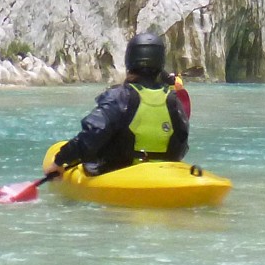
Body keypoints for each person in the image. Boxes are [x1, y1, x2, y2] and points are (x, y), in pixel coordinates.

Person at [49, 32, 190, 176]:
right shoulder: (173, 100)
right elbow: (182, 145)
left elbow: (91, 135)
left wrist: (59, 161)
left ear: (130, 60)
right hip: (166, 174)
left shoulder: (120, 96)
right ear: (160, 62)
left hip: (122, 172)